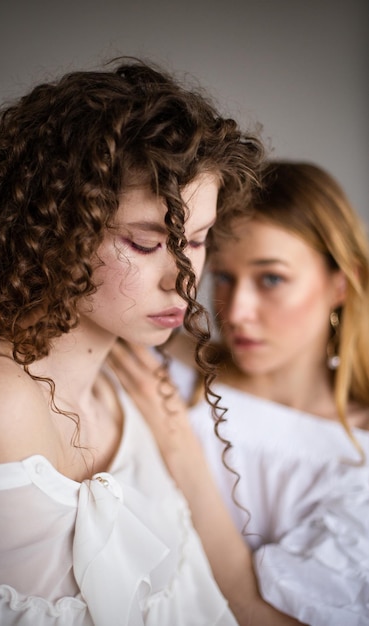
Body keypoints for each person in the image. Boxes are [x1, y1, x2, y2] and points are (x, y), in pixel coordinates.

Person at [0, 57, 303, 626]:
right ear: (53, 231)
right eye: (144, 245)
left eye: (195, 240)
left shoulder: (132, 372)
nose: (181, 280)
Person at [109, 161, 369, 625]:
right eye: (223, 277)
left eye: (271, 278)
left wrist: (177, 443)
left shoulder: (357, 455)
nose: (237, 309)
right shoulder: (157, 362)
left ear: (339, 284)